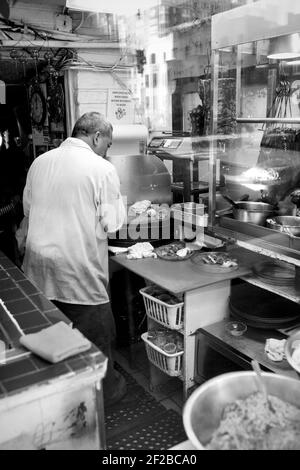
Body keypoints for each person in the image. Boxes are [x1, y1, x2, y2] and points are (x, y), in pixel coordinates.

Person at [22, 112, 127, 406]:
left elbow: (28, 211)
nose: (108, 150)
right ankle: (102, 395)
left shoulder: (40, 162)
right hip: (78, 273)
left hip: (39, 270)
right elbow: (113, 223)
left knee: (54, 338)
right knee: (99, 336)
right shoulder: (101, 168)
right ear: (96, 137)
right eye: (108, 144)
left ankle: (61, 394)